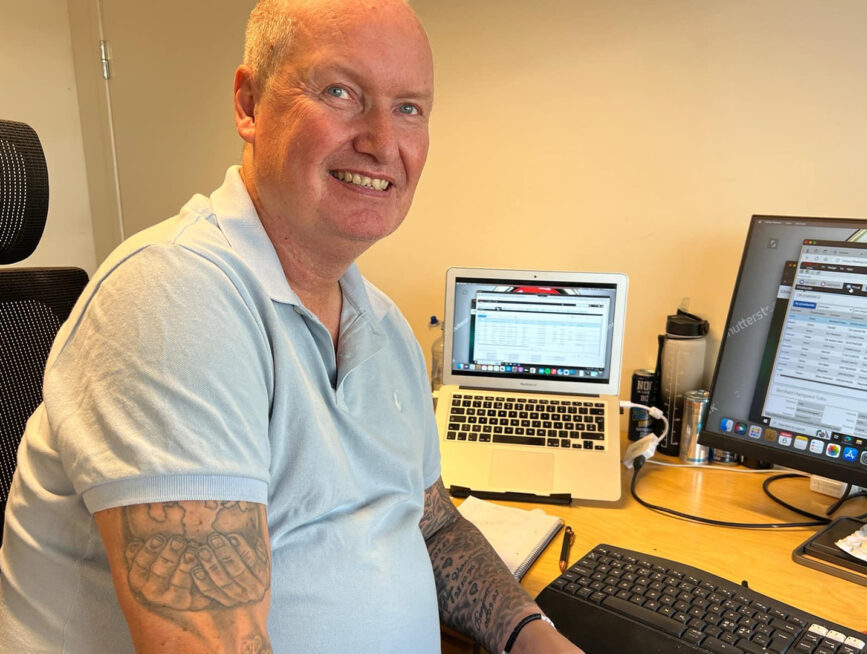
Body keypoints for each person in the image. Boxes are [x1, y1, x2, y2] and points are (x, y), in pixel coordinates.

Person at [0, 1, 583, 652]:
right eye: (341, 92)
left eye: (409, 108)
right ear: (248, 104)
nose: (382, 141)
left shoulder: (384, 327)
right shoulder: (171, 297)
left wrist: (532, 635)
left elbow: (432, 525)